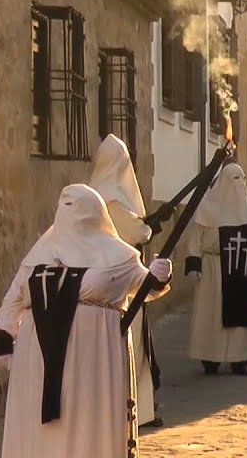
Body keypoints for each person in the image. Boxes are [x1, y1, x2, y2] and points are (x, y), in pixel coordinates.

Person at [0, 185, 173, 458]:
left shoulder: (118, 257)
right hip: (38, 360)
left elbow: (144, 287)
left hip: (94, 357)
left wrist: (158, 276)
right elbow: (15, 298)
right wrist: (3, 336)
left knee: (88, 422)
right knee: (40, 432)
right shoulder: (38, 256)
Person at [88, 134, 161, 428]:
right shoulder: (112, 198)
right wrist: (149, 227)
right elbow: (136, 233)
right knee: (131, 345)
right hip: (121, 279)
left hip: (98, 278)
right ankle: (133, 409)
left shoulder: (92, 193)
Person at [185, 163, 247, 376]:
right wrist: (193, 264)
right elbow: (195, 239)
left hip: (241, 267)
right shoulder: (207, 208)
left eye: (242, 178)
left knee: (240, 313)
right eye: (234, 179)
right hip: (213, 268)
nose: (239, 184)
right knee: (212, 314)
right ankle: (210, 358)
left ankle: (239, 358)